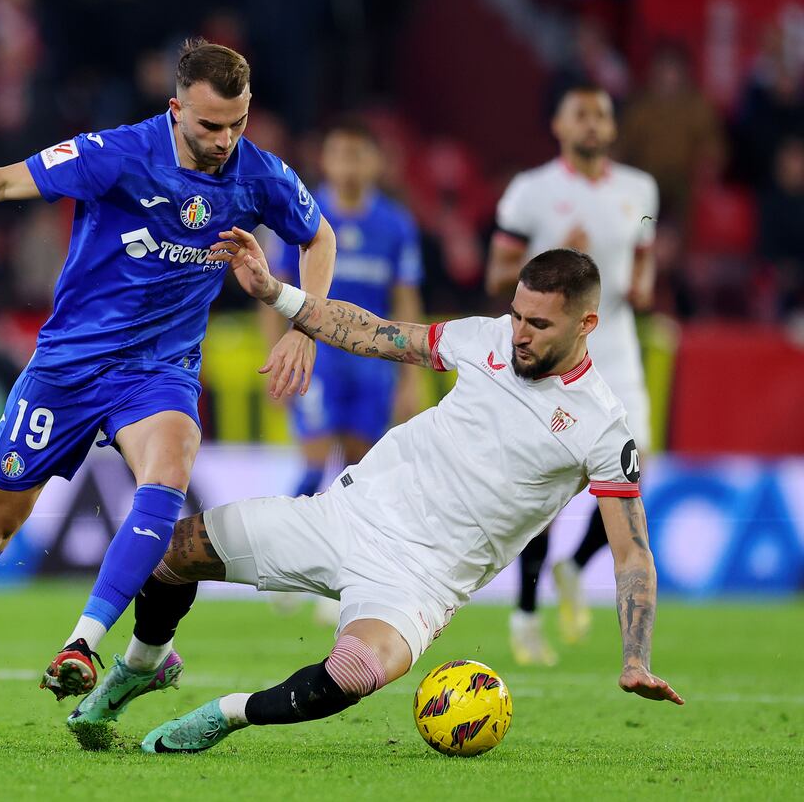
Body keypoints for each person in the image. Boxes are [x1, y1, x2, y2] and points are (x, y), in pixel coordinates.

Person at [0, 38, 337, 748]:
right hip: (66, 367)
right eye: (210, 125)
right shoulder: (117, 153)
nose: (225, 141)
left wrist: (303, 320)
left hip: (158, 370)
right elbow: (3, 183)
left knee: (171, 468)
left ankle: (84, 644)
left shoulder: (261, 174)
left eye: (238, 124)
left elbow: (318, 234)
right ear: (175, 108)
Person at [68, 238, 682, 753]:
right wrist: (279, 295)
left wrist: (634, 657)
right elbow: (379, 334)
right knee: (171, 550)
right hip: (344, 515)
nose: (520, 334)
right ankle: (144, 665)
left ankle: (226, 715)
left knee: (352, 673)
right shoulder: (486, 338)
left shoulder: (604, 427)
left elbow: (631, 554)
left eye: (539, 324)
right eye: (518, 314)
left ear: (587, 325)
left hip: (421, 581)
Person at [486, 84, 658, 665]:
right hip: (557, 356)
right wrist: (559, 254)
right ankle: (527, 614)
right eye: (580, 114)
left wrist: (645, 279)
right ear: (558, 124)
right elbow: (496, 277)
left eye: (602, 114)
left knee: (637, 472)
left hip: (620, 352)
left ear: (612, 128)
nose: (592, 123)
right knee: (550, 489)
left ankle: (573, 567)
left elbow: (645, 245)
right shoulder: (531, 192)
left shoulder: (642, 189)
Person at [264, 120, 424, 497]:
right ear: (325, 161)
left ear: (376, 163)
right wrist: (274, 354)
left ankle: (347, 553)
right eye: (339, 155)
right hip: (318, 359)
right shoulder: (301, 214)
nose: (348, 166)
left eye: (357, 155)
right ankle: (289, 548)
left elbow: (405, 298)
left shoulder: (396, 225)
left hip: (373, 360)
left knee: (360, 468)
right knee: (314, 462)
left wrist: (411, 377)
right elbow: (273, 294)